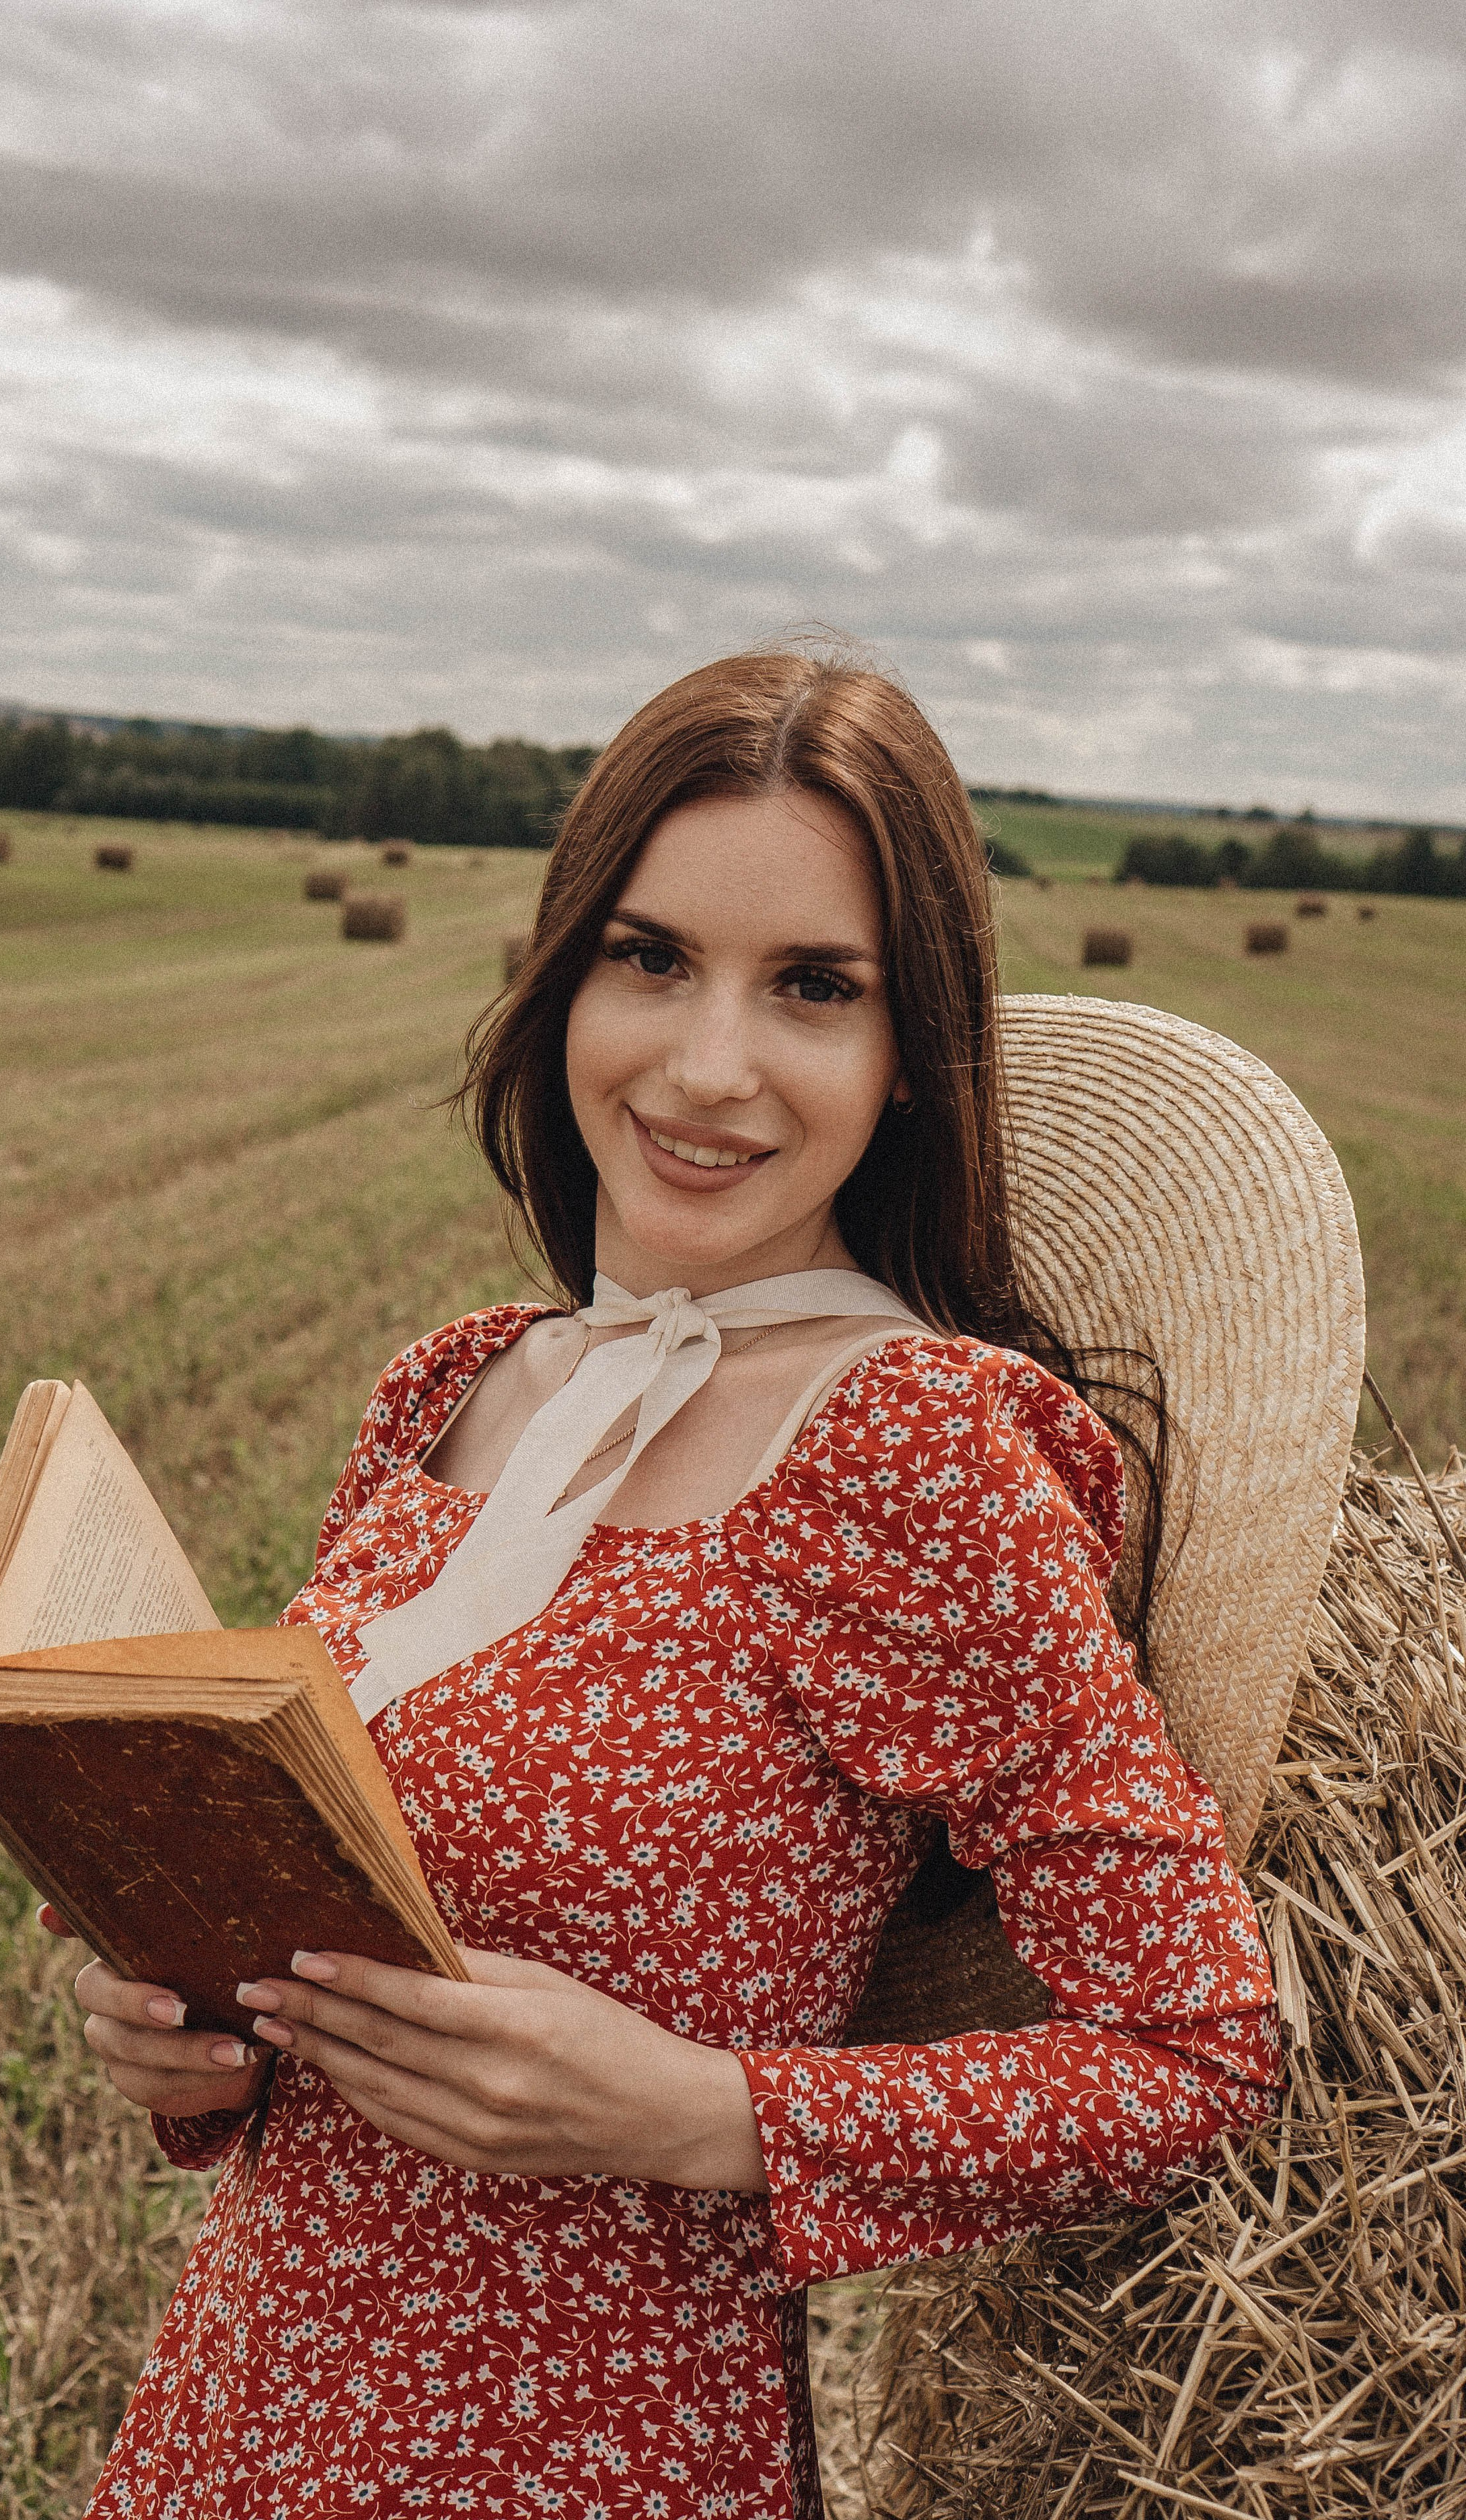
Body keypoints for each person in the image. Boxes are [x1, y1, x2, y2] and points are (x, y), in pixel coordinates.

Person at [67, 651, 1282, 2520]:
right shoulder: (451, 1388)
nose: (709, 1066)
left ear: (909, 1056)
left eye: (814, 988)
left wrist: (695, 2115)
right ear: (564, 981)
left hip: (595, 2455)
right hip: (242, 2417)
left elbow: (1192, 2057)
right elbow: (342, 1961)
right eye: (650, 959)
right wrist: (194, 2043)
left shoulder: (913, 1456)